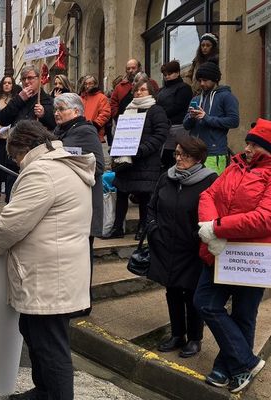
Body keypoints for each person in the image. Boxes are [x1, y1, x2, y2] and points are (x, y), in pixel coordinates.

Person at [0, 120, 94, 400]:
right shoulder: (64, 165)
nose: (15, 163)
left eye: (14, 156)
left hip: (48, 275)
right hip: (56, 271)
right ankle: (44, 391)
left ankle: (54, 394)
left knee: (50, 345)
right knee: (36, 333)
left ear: (24, 148)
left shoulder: (41, 171)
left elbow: (10, 225)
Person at [193, 118, 271, 393]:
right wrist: (210, 228)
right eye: (248, 142)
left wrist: (217, 228)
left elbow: (265, 218)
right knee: (204, 302)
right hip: (219, 251)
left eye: (254, 145)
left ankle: (228, 368)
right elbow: (209, 195)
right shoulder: (235, 164)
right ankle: (246, 362)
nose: (247, 148)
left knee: (244, 314)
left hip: (251, 257)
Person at [146, 136, 216, 358]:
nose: (179, 158)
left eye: (184, 155)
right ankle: (177, 334)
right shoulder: (166, 177)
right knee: (172, 290)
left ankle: (195, 338)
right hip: (165, 244)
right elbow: (152, 206)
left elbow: (214, 213)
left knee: (192, 294)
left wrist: (199, 236)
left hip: (192, 248)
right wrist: (153, 228)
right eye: (177, 153)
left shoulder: (210, 180)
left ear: (197, 158)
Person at [53, 93, 104, 317]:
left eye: (61, 109)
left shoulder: (85, 131)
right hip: (69, 204)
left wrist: (69, 162)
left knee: (83, 256)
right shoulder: (60, 132)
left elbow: (99, 166)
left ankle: (84, 303)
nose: (56, 113)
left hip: (86, 204)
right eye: (55, 109)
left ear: (76, 112)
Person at [104, 75, 168, 240]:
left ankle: (143, 228)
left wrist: (141, 150)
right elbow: (121, 131)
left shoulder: (156, 110)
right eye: (137, 90)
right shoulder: (128, 109)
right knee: (122, 193)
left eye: (143, 89)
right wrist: (118, 148)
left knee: (144, 196)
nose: (139, 92)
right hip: (127, 159)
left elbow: (160, 134)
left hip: (145, 160)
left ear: (151, 92)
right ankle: (117, 228)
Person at [0, 65, 56, 203]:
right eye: (24, 79)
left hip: (37, 155)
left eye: (30, 78)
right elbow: (2, 119)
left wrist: (44, 114)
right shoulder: (18, 99)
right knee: (13, 195)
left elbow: (55, 124)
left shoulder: (47, 100)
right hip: (16, 157)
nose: (27, 82)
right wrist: (19, 99)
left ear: (39, 79)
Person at [183, 62, 239, 176]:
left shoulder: (226, 96)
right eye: (200, 80)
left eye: (205, 80)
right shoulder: (197, 99)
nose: (202, 83)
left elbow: (234, 121)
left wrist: (207, 118)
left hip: (214, 153)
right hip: (194, 152)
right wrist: (191, 117)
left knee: (213, 188)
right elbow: (186, 125)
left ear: (215, 79)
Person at [156, 60, 193, 170]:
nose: (167, 77)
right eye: (165, 75)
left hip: (178, 127)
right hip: (164, 126)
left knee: (177, 156)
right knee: (164, 157)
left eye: (170, 74)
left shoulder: (184, 88)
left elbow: (178, 106)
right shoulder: (162, 90)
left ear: (177, 72)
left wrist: (160, 114)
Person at [0, 76, 21, 202]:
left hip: (11, 137)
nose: (7, 85)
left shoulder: (16, 99)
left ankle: (10, 193)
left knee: (11, 165)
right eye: (5, 83)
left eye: (9, 83)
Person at [79, 74, 111, 143]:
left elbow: (105, 114)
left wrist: (95, 125)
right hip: (81, 132)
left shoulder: (102, 98)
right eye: (85, 84)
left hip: (95, 132)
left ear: (95, 84)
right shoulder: (81, 98)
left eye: (90, 83)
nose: (87, 86)